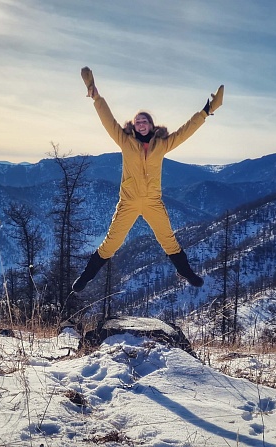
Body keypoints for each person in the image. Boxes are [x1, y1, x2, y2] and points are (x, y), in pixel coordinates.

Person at [72, 66, 224, 293]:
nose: (141, 124)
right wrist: (95, 96)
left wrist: (206, 111)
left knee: (168, 240)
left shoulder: (162, 144)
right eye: (137, 121)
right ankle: (86, 277)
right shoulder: (124, 141)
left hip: (153, 202)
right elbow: (107, 119)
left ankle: (186, 271)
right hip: (129, 202)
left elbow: (186, 130)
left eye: (144, 121)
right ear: (133, 126)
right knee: (111, 244)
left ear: (152, 125)